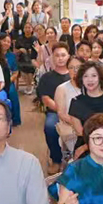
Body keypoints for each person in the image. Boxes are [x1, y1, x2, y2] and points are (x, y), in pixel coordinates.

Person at [37, 43, 71, 173]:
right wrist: (61, 111)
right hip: (55, 112)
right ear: (52, 57)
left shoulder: (74, 75)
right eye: (57, 55)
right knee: (50, 127)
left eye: (63, 55)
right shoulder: (47, 77)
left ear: (68, 56)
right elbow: (46, 99)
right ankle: (56, 159)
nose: (60, 58)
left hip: (75, 111)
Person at [68, 61, 103, 154]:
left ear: (100, 78)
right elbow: (80, 133)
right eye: (85, 76)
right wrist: (86, 147)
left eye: (94, 76)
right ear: (81, 79)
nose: (90, 80)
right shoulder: (76, 102)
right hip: (85, 144)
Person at [55, 56, 84, 161]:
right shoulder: (62, 88)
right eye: (71, 67)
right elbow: (61, 113)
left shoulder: (90, 86)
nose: (75, 71)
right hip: (71, 129)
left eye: (78, 67)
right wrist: (80, 126)